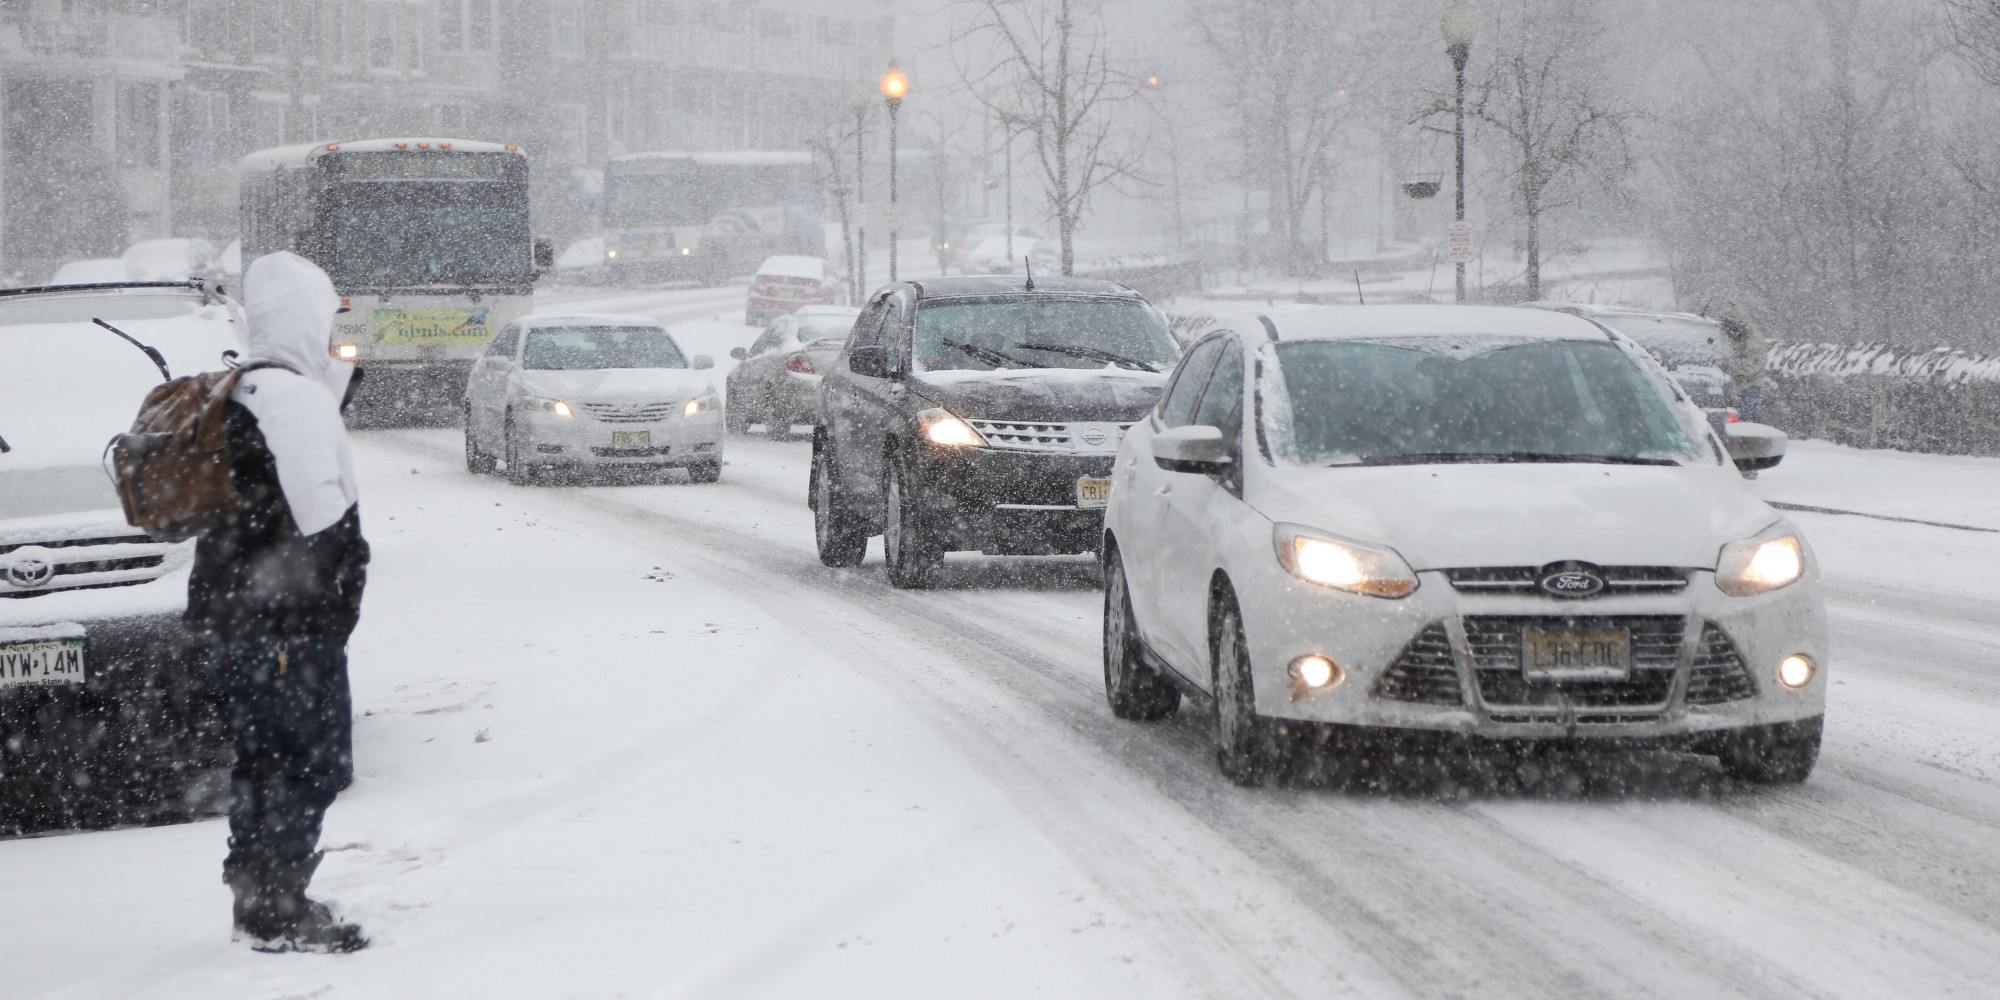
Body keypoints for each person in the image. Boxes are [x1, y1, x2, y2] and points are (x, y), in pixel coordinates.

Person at [185, 252, 369, 954]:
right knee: (313, 761)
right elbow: (322, 519)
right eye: (323, 319)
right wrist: (341, 598)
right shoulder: (292, 399)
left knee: (262, 757)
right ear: (304, 317)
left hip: (240, 615)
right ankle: (280, 905)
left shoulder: (241, 388)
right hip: (288, 620)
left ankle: (256, 896)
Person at [1718, 303, 1770, 423]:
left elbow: (1754, 363)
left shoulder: (1753, 339)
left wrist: (1730, 366)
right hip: (1728, 386)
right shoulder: (1722, 336)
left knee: (1746, 422)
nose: (1730, 329)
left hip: (1749, 386)